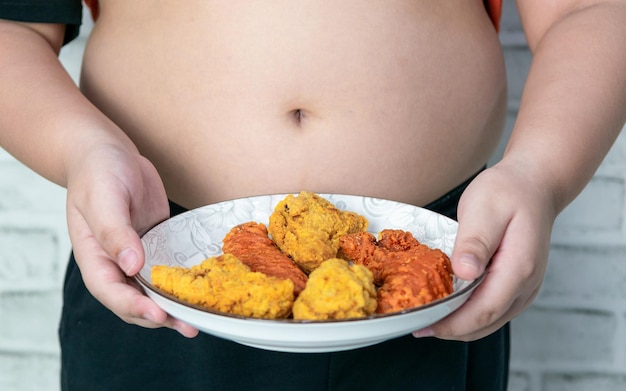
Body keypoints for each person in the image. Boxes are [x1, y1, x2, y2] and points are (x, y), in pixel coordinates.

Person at [1, 0, 625, 390]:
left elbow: (587, 9)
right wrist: (83, 151)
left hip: (431, 272)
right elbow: (14, 29)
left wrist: (541, 174)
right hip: (158, 269)